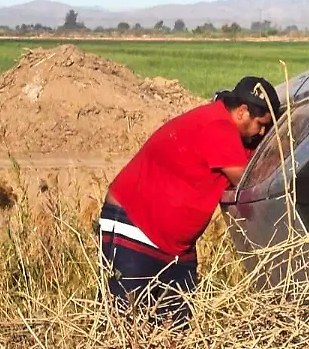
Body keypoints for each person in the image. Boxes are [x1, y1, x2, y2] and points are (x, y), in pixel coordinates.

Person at [98, 76, 282, 327]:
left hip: (175, 247)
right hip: (135, 226)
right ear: (242, 112)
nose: (262, 133)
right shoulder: (218, 127)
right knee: (124, 325)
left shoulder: (240, 136)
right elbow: (251, 181)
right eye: (261, 125)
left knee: (176, 329)